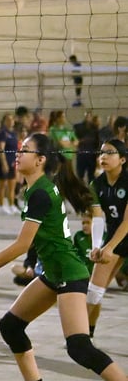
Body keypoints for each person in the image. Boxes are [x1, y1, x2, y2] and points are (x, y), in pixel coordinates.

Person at [0, 133, 128, 381]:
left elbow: (22, 244)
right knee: (11, 325)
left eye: (25, 150)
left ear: (40, 160)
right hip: (53, 272)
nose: (17, 153)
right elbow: (33, 241)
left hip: (68, 272)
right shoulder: (37, 189)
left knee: (79, 347)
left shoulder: (40, 192)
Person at [85, 139, 128, 337]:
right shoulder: (96, 184)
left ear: (123, 159)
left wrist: (109, 247)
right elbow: (98, 217)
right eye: (102, 153)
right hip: (114, 236)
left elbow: (127, 222)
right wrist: (97, 246)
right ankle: (85, 335)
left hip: (121, 234)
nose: (103, 156)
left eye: (110, 153)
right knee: (93, 293)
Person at [0, 113, 18, 215]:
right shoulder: (2, 133)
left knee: (12, 186)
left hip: (12, 162)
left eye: (12, 119)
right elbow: (1, 149)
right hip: (3, 163)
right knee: (2, 185)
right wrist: (4, 164)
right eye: (8, 120)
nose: (10, 121)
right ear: (4, 121)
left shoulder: (13, 133)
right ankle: (1, 207)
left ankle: (12, 206)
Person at [73, 111, 100, 183]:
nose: (88, 118)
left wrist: (97, 154)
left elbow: (97, 142)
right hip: (82, 154)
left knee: (91, 176)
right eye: (86, 116)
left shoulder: (95, 128)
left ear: (91, 117)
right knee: (80, 174)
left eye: (89, 116)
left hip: (92, 155)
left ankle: (91, 191)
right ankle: (80, 190)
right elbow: (75, 139)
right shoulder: (78, 127)